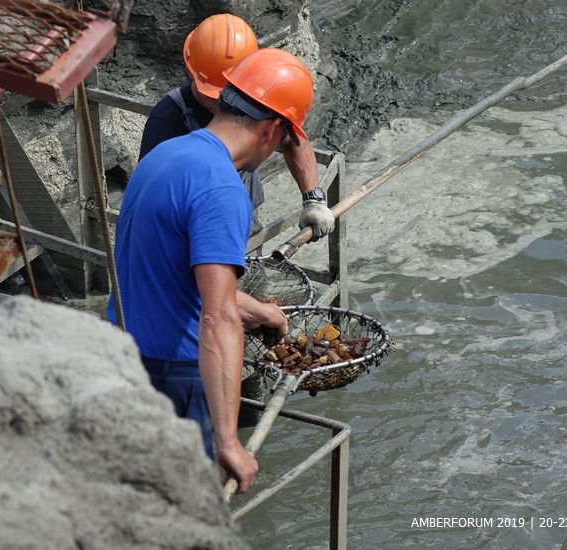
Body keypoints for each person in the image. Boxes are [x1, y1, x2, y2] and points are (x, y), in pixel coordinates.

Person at [108, 48, 315, 493]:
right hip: (173, 377)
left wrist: (259, 312)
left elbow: (169, 274)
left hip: (119, 357)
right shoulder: (222, 188)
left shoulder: (164, 157)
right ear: (273, 129)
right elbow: (217, 317)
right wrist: (227, 440)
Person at [139, 13, 334, 245]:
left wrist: (313, 198)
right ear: (191, 70)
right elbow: (152, 199)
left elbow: (292, 139)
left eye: (229, 92)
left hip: (246, 221)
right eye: (214, 94)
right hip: (191, 234)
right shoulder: (167, 119)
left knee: (251, 279)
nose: (221, 100)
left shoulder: (255, 101)